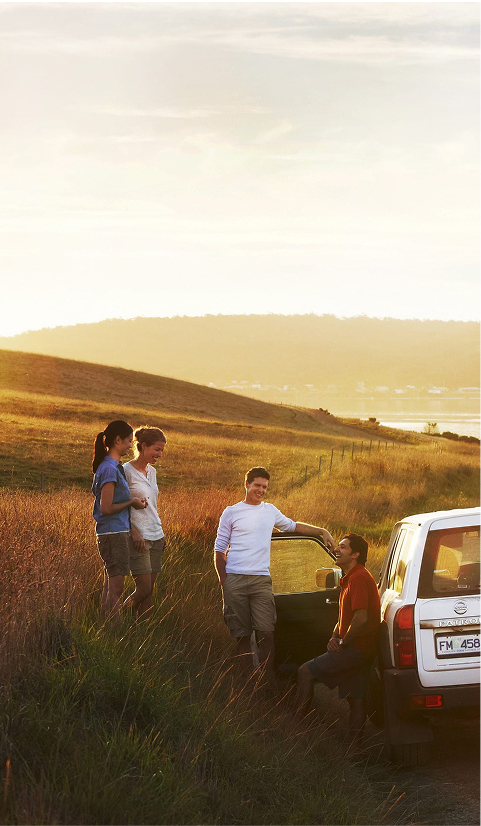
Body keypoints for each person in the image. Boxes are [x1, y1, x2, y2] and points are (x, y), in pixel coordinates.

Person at [214, 466, 335, 675]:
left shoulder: (270, 511)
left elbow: (293, 526)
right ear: (247, 484)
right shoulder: (231, 512)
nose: (261, 490)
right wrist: (225, 582)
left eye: (265, 487)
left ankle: (266, 680)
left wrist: (321, 531)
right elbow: (219, 550)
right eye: (257, 485)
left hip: (261, 580)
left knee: (267, 633)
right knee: (242, 635)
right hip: (235, 579)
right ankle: (246, 682)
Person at [296, 533, 381, 748]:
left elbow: (361, 618)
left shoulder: (359, 578)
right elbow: (345, 617)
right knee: (356, 700)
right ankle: (355, 752)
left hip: (356, 649)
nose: (336, 550)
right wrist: (335, 636)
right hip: (361, 650)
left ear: (355, 554)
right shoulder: (350, 577)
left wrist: (343, 643)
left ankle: (295, 732)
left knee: (305, 672)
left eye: (342, 547)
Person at [92, 420, 147, 621]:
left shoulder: (112, 466)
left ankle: (107, 629)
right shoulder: (109, 469)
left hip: (114, 531)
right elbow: (106, 508)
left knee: (110, 586)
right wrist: (131, 502)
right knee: (116, 588)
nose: (130, 446)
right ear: (117, 440)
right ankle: (114, 632)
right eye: (128, 442)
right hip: (112, 533)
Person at [123, 426, 167, 618]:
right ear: (143, 446)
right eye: (156, 449)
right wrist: (133, 531)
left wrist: (161, 532)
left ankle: (143, 632)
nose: (159, 454)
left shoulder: (152, 472)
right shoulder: (126, 471)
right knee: (143, 589)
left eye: (161, 451)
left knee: (149, 592)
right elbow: (118, 505)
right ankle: (118, 618)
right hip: (138, 538)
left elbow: (152, 506)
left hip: (156, 535)